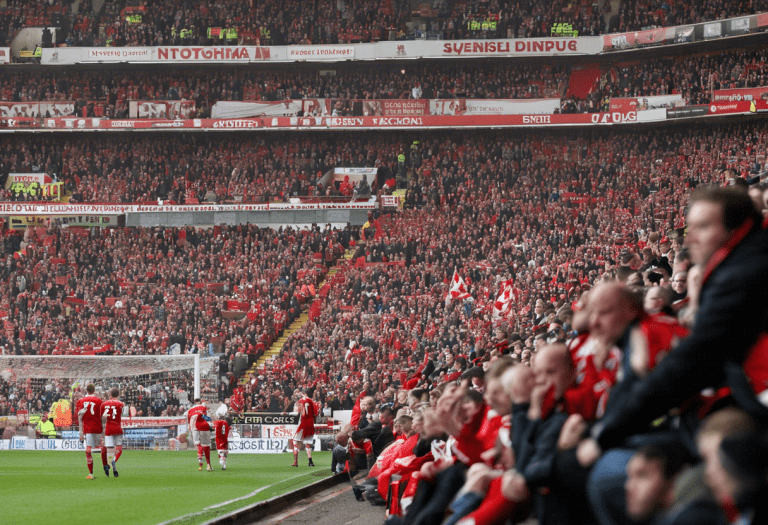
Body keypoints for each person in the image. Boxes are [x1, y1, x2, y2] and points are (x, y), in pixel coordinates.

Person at [594, 187, 768, 451]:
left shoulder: (743, 272)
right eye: (690, 228)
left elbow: (698, 357)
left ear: (736, 228)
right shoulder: (746, 258)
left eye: (703, 227)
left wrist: (613, 428)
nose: (690, 240)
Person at [77, 383, 107, 479]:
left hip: (88, 429)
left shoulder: (81, 401)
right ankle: (105, 465)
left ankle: (90, 473)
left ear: (86, 390)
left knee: (88, 450)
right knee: (103, 446)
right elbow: (104, 417)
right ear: (94, 391)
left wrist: (81, 432)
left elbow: (79, 417)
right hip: (98, 428)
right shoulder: (99, 401)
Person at [101, 387, 125, 478]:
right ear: (118, 395)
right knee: (119, 448)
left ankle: (109, 464)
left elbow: (102, 417)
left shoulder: (104, 404)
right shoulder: (121, 404)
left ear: (110, 394)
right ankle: (114, 461)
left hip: (108, 428)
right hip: (117, 427)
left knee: (110, 450)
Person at [292, 389, 317, 467]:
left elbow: (300, 412)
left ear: (304, 393)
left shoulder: (301, 401)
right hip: (310, 423)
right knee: (307, 444)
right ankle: (310, 461)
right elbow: (315, 414)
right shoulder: (312, 401)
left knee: (295, 441)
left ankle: (295, 462)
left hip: (304, 423)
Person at [187, 398, 213, 471]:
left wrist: (190, 429)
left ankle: (200, 463)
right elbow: (208, 418)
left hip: (194, 427)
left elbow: (189, 421)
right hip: (203, 426)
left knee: (198, 444)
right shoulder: (204, 407)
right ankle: (208, 465)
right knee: (206, 445)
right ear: (200, 402)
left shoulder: (190, 410)